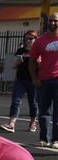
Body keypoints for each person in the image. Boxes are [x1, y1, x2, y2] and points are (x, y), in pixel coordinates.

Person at [0, 31, 38, 134]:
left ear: (35, 39)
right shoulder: (21, 51)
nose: (28, 41)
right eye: (26, 38)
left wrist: (39, 62)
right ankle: (11, 124)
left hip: (33, 80)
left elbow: (42, 65)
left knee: (33, 103)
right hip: (20, 79)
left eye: (30, 38)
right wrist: (18, 62)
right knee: (16, 101)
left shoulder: (38, 51)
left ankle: (33, 122)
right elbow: (14, 66)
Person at [30, 12, 58, 147]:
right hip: (43, 81)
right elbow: (32, 61)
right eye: (51, 21)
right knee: (43, 112)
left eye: (55, 21)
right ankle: (44, 138)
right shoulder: (40, 41)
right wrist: (34, 78)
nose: (53, 23)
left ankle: (56, 140)